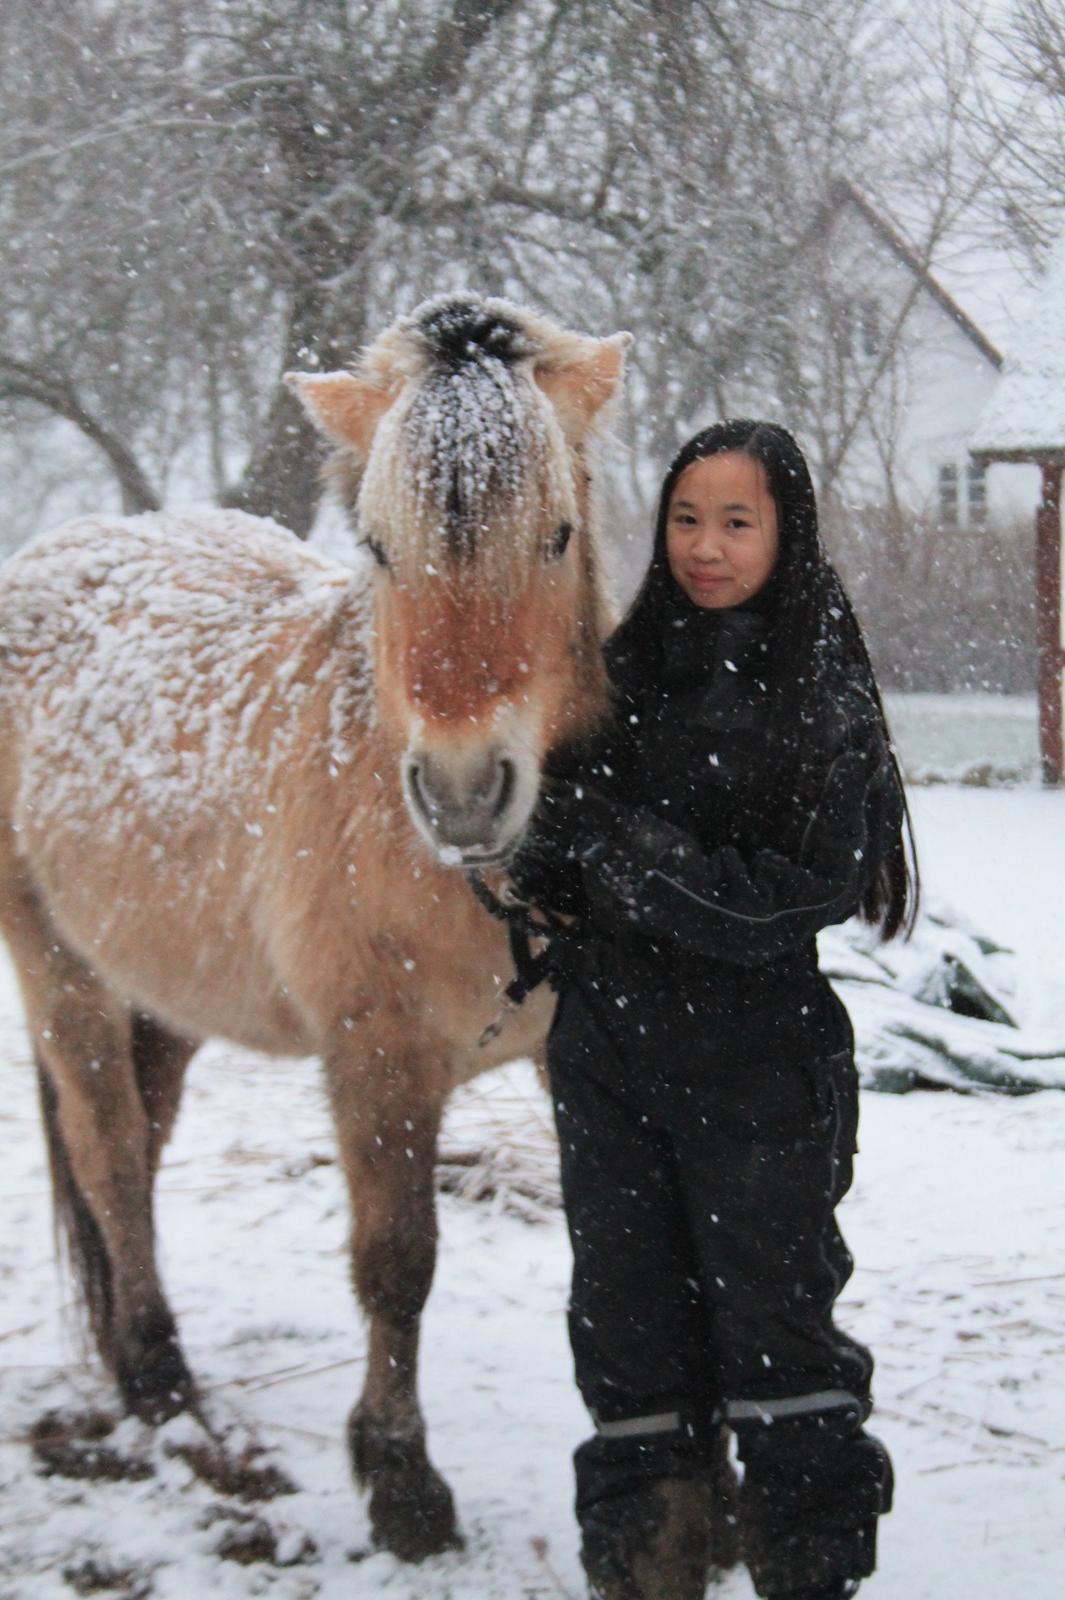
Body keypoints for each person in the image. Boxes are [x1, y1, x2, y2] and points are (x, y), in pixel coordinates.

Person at [509, 420, 917, 1600]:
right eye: (687, 518)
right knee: (629, 1346)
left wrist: (613, 842)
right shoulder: (618, 673)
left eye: (737, 521)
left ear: (786, 530)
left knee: (779, 1345)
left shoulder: (824, 694)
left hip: (759, 1074)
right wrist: (535, 846)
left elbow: (783, 906)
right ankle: (646, 1574)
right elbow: (559, 857)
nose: (706, 546)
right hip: (609, 1061)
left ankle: (805, 1573)